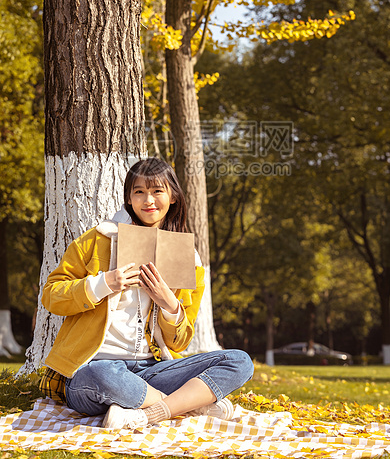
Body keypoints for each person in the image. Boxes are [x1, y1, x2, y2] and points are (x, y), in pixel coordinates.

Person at [40, 157, 254, 430]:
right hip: (92, 369)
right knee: (104, 373)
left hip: (150, 371)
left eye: (157, 191)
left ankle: (148, 412)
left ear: (173, 196)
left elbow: (179, 342)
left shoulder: (188, 259)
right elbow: (51, 295)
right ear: (129, 198)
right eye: (139, 191)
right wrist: (103, 283)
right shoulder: (98, 239)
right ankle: (187, 407)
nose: (148, 200)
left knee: (239, 361)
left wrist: (169, 305)